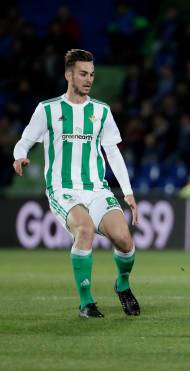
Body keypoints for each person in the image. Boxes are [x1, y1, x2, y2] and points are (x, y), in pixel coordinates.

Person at [12, 49, 141, 318]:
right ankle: (86, 303)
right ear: (68, 75)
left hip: (96, 188)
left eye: (92, 74)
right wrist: (20, 156)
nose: (89, 79)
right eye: (83, 74)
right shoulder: (48, 109)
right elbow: (24, 142)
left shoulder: (101, 111)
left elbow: (113, 152)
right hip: (62, 189)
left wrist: (127, 192)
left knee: (124, 239)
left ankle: (123, 285)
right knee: (84, 229)